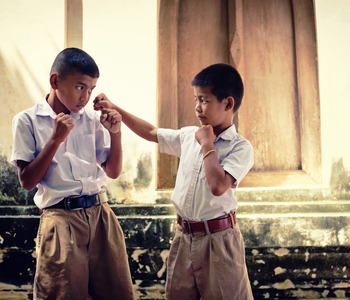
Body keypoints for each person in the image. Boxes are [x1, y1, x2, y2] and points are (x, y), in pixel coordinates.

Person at [94, 63, 254, 299]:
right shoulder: (189, 135)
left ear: (228, 103)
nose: (197, 107)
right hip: (184, 236)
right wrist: (114, 107)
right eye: (196, 99)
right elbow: (151, 132)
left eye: (205, 100)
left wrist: (208, 144)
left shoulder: (240, 147)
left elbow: (219, 186)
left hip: (219, 241)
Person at [11, 47, 134, 300]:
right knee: (62, 294)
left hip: (101, 215)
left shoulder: (91, 119)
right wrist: (55, 139)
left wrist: (116, 132)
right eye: (80, 87)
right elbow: (26, 181)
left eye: (91, 89)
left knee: (116, 293)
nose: (86, 97)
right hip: (61, 218)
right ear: (55, 81)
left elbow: (112, 171)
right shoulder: (27, 121)